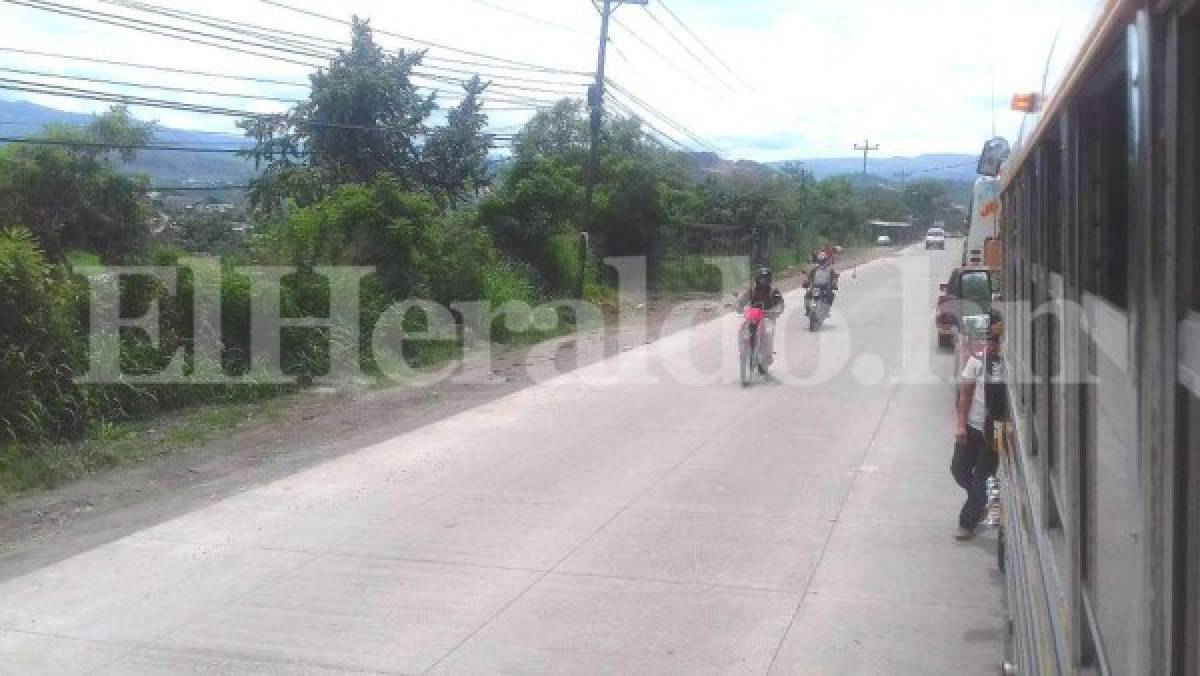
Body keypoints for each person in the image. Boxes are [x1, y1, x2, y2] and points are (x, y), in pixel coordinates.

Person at [951, 309, 1007, 541]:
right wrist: (961, 426)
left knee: (982, 477)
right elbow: (965, 396)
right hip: (973, 427)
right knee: (958, 470)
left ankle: (967, 523)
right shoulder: (976, 362)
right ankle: (982, 498)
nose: (993, 346)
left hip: (996, 432)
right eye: (990, 341)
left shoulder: (1008, 367)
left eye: (998, 342)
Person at [735, 266, 785, 365]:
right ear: (757, 278)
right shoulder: (752, 290)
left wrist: (776, 311)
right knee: (743, 328)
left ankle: (768, 355)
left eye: (765, 278)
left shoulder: (774, 291)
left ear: (769, 279)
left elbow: (780, 304)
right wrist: (738, 306)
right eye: (761, 278)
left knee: (768, 333)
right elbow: (742, 300)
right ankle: (743, 348)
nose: (763, 281)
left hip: (768, 317)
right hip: (753, 316)